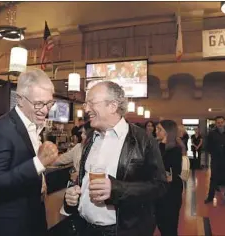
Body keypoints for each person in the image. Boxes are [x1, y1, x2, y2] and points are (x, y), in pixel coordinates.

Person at [63, 81, 167, 236]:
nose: (85, 109)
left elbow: (160, 186)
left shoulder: (143, 140)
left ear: (112, 106)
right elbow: (85, 182)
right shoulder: (91, 138)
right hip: (84, 229)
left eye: (91, 103)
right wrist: (72, 197)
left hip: (122, 231)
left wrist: (117, 189)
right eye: (86, 104)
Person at [0, 69, 59, 236]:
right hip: (10, 224)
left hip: (33, 216)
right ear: (20, 100)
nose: (45, 111)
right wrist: (38, 163)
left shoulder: (34, 123)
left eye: (49, 103)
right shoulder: (1, 129)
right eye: (38, 103)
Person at [155, 120, 184, 236]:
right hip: (160, 189)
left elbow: (171, 170)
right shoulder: (158, 145)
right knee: (161, 222)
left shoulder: (175, 149)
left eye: (159, 129)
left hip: (171, 190)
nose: (156, 131)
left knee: (169, 224)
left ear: (167, 132)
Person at [205, 116, 225, 206]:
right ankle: (210, 197)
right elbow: (208, 146)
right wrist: (214, 152)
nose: (220, 124)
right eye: (218, 122)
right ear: (216, 123)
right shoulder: (211, 134)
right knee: (213, 178)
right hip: (216, 159)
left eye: (221, 122)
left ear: (224, 123)